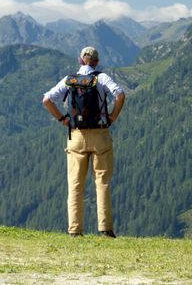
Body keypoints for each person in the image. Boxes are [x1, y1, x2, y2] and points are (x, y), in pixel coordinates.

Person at [42, 46, 126, 238]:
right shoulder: (101, 78)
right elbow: (120, 94)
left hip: (76, 136)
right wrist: (113, 116)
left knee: (75, 184)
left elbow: (46, 100)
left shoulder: (69, 80)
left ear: (80, 60)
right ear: (96, 62)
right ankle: (105, 229)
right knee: (102, 183)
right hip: (100, 135)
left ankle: (75, 230)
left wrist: (62, 119)